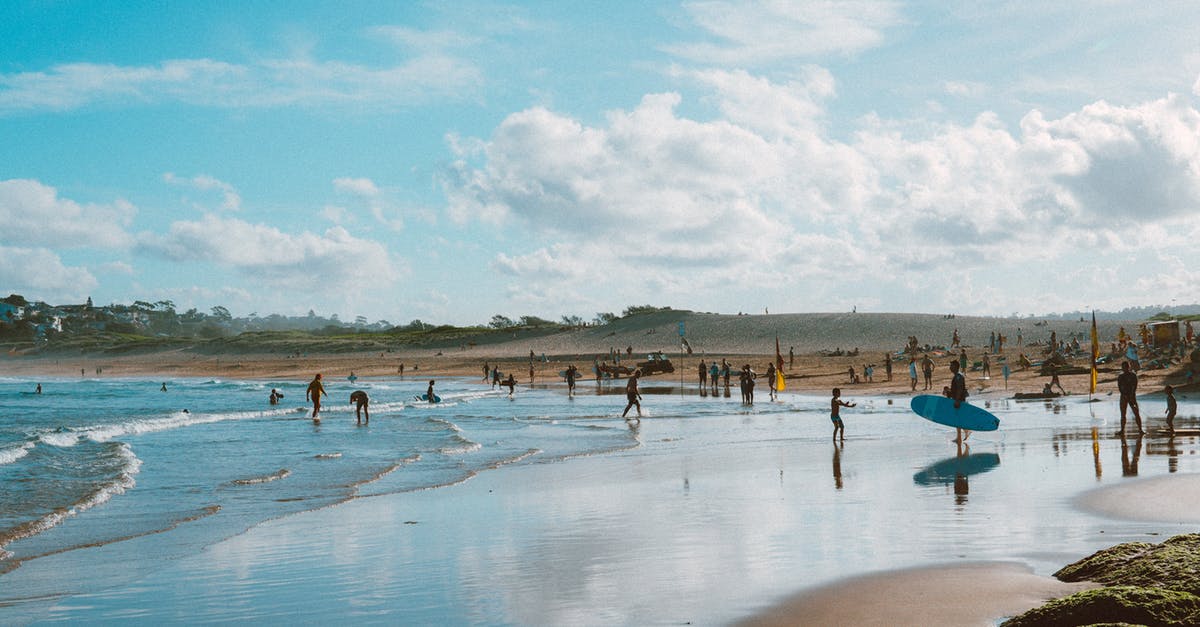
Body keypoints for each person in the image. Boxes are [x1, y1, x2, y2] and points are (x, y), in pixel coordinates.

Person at [946, 360, 969, 443]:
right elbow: (956, 389)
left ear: (955, 367)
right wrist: (949, 391)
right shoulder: (957, 376)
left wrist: (957, 401)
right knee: (957, 419)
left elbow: (959, 389)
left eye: (951, 366)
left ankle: (966, 432)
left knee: (958, 419)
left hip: (959, 401)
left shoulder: (958, 376)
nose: (950, 368)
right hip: (957, 400)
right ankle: (959, 437)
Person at [1117, 361, 1143, 434]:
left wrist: (1131, 395)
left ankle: (1140, 429)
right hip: (1123, 397)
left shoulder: (1133, 375)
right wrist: (1124, 395)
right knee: (1123, 414)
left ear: (1129, 367)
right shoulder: (1120, 376)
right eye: (1123, 367)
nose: (1124, 369)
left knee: (1136, 413)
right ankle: (1122, 430)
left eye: (1126, 367)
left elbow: (1134, 386)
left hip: (1132, 396)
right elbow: (1120, 387)